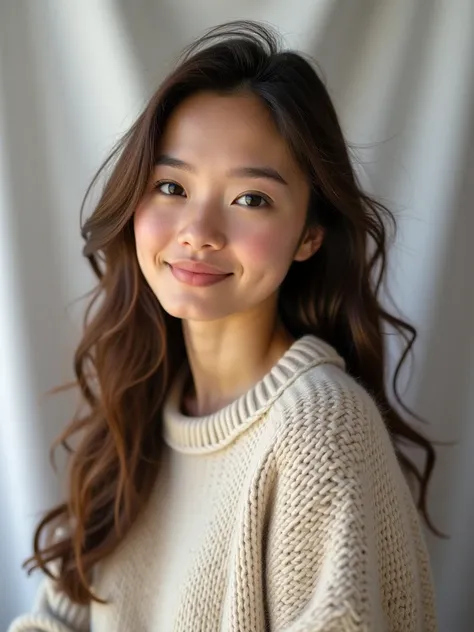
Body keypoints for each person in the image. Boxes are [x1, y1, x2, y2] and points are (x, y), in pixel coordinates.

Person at [9, 20, 438, 632]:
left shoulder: (318, 428)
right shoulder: (142, 406)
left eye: (251, 199)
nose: (199, 229)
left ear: (310, 235)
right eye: (171, 186)